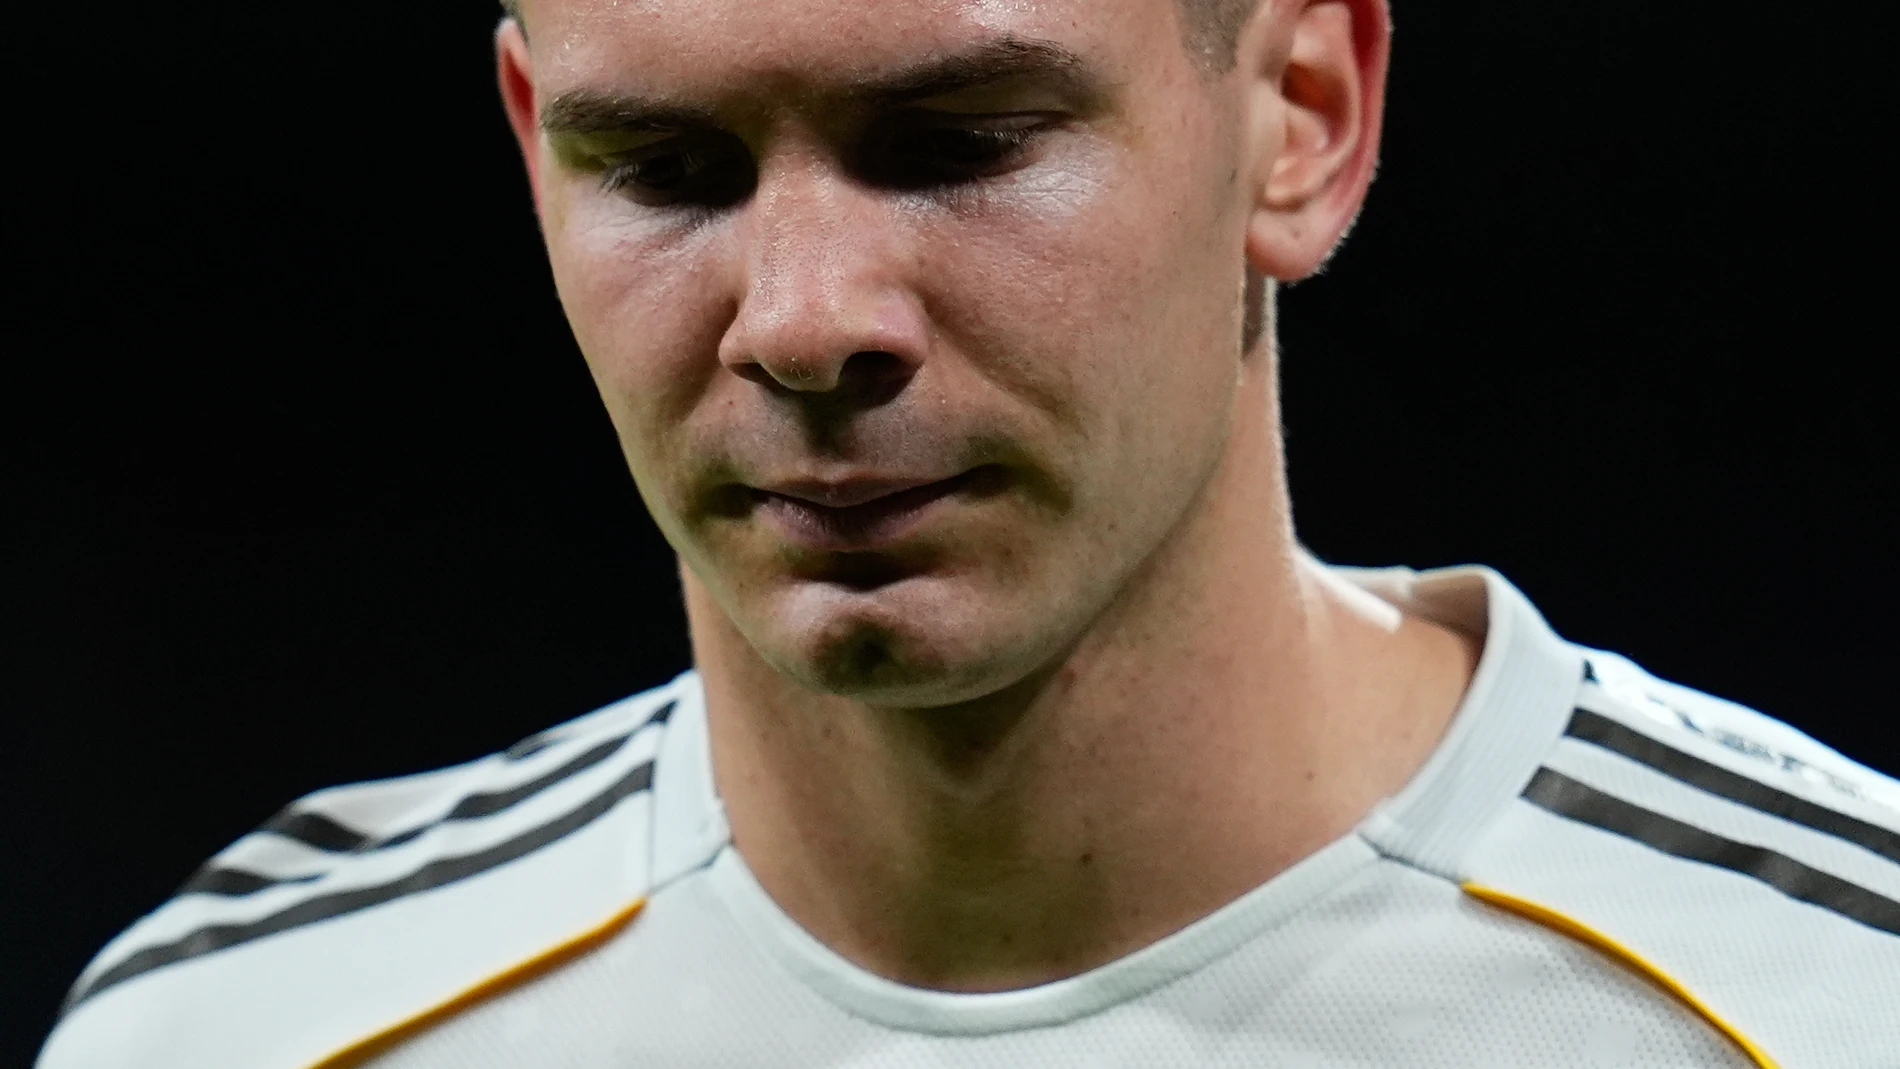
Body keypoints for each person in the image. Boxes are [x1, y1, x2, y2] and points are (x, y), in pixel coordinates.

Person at [36, 0, 1900, 1064]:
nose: (803, 318)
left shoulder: (1833, 997)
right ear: (532, 146)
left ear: (1303, 118)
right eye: (664, 171)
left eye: (961, 141)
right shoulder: (239, 1030)